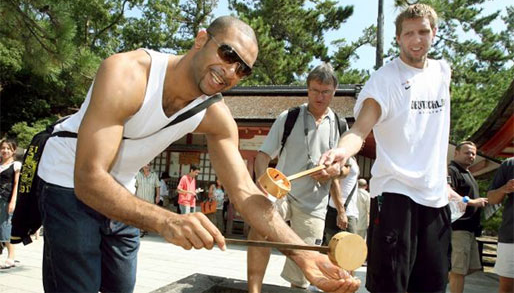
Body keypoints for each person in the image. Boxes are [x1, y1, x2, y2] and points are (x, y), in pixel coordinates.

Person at [35, 16, 359, 293]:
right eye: (227, 53)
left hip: (121, 190)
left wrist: (304, 256)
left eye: (243, 69)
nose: (231, 71)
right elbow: (88, 179)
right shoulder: (129, 74)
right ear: (201, 39)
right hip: (68, 180)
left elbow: (247, 194)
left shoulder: (214, 116)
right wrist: (167, 220)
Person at [320, 4, 455, 293]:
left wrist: (444, 182)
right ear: (398, 38)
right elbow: (360, 129)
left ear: (434, 33)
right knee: (391, 286)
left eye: (423, 32)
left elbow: (436, 135)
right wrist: (341, 151)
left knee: (433, 285)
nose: (416, 40)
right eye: (409, 33)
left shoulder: (443, 72)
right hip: (396, 194)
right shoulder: (383, 81)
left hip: (435, 199)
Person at [249, 63, 349, 291]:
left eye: (325, 91)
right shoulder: (290, 117)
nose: (319, 96)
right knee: (258, 229)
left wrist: (334, 171)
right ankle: (253, 290)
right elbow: (263, 156)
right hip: (282, 193)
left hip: (314, 203)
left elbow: (347, 169)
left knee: (306, 260)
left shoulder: (340, 125)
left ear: (335, 90)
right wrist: (263, 182)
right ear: (307, 89)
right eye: (314, 90)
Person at [448, 141, 488, 293]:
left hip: (471, 229)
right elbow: (448, 195)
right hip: (458, 228)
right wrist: (471, 202)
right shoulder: (452, 171)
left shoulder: (467, 172)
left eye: (473, 153)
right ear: (456, 153)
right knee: (459, 271)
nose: (471, 156)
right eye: (467, 152)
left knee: (472, 267)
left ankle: (435, 281)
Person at [487, 158, 514, 293]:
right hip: (511, 236)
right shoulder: (509, 164)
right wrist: (505, 188)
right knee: (507, 288)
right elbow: (491, 198)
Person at [324, 157, 359, 246]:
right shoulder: (343, 156)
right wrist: (341, 212)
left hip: (347, 210)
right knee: (349, 249)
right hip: (341, 210)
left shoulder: (351, 158)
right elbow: (334, 181)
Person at [0, 139, 21, 269]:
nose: (5, 151)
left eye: (8, 148)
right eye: (3, 148)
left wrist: (13, 201)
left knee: (5, 226)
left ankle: (11, 256)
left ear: (13, 150)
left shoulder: (16, 165)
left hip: (6, 199)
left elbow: (16, 184)